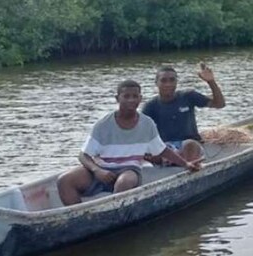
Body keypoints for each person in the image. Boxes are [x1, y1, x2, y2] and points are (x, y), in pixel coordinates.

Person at [57, 80, 200, 206]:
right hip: (101, 169)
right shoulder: (103, 124)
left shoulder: (147, 124)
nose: (131, 100)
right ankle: (80, 215)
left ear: (140, 99)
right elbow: (84, 155)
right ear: (117, 98)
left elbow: (161, 150)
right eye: (126, 96)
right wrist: (97, 170)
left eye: (135, 96)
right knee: (64, 181)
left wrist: (185, 164)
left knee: (124, 183)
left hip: (128, 170)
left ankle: (113, 215)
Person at [142, 63, 225, 164]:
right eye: (163, 81)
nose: (168, 84)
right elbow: (141, 131)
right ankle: (173, 160)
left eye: (172, 80)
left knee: (190, 145)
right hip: (166, 147)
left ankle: (182, 162)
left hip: (189, 144)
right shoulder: (151, 105)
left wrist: (211, 82)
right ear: (157, 83)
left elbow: (219, 104)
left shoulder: (188, 96)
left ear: (176, 82)